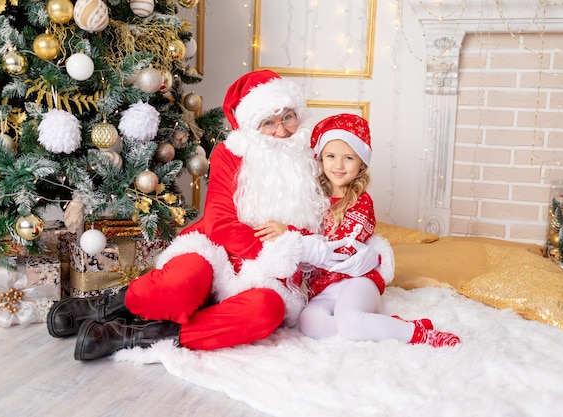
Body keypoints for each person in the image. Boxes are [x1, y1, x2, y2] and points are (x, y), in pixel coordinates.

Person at [47, 70, 383, 360]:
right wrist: (275, 249)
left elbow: (331, 221)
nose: (282, 131)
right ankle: (105, 307)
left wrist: (300, 249)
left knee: (265, 313)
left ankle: (130, 336)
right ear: (252, 127)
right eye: (269, 122)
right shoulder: (230, 153)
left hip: (274, 274)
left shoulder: (315, 156)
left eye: (288, 117)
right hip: (217, 250)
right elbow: (221, 224)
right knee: (178, 288)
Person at [295, 113, 460, 347]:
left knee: (349, 320)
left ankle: (417, 333)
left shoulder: (361, 201)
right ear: (321, 158)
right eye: (331, 156)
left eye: (348, 158)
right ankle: (379, 325)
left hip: (357, 279)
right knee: (310, 324)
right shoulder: (311, 199)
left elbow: (344, 244)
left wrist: (311, 245)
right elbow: (299, 235)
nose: (338, 165)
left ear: (361, 162)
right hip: (323, 286)